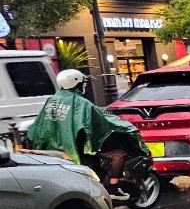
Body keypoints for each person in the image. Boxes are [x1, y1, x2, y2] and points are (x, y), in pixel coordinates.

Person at [27, 70, 149, 201]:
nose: (84, 86)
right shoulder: (82, 103)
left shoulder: (51, 100)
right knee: (119, 154)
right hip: (76, 151)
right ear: (77, 84)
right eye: (83, 83)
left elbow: (36, 128)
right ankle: (113, 189)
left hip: (52, 149)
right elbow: (101, 122)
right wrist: (127, 127)